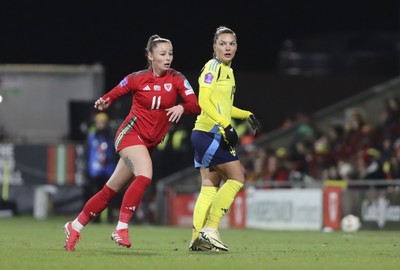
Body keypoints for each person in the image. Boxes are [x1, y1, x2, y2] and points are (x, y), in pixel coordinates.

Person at [63, 34, 201, 251]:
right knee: (145, 174)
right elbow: (116, 92)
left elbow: (195, 105)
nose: (168, 58)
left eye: (171, 53)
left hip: (148, 143)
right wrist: (104, 101)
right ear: (150, 56)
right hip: (129, 134)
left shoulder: (176, 78)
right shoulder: (137, 78)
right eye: (163, 54)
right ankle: (121, 227)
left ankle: (75, 225)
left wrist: (183, 107)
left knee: (110, 190)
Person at [189, 26, 260, 251]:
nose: (227, 47)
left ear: (236, 47)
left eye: (232, 43)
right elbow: (204, 101)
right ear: (214, 47)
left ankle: (196, 239)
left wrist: (246, 114)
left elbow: (225, 106)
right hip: (210, 133)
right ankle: (210, 228)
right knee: (237, 178)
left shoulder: (227, 70)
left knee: (209, 186)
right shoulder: (213, 67)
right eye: (223, 43)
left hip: (205, 133)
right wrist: (226, 125)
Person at [84, 112, 119, 223]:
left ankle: (109, 216)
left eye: (103, 122)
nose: (101, 124)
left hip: (109, 168)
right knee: (96, 193)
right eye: (99, 122)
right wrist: (87, 167)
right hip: (95, 169)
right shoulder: (92, 135)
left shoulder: (111, 135)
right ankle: (95, 216)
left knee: (109, 193)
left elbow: (115, 152)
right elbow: (88, 152)